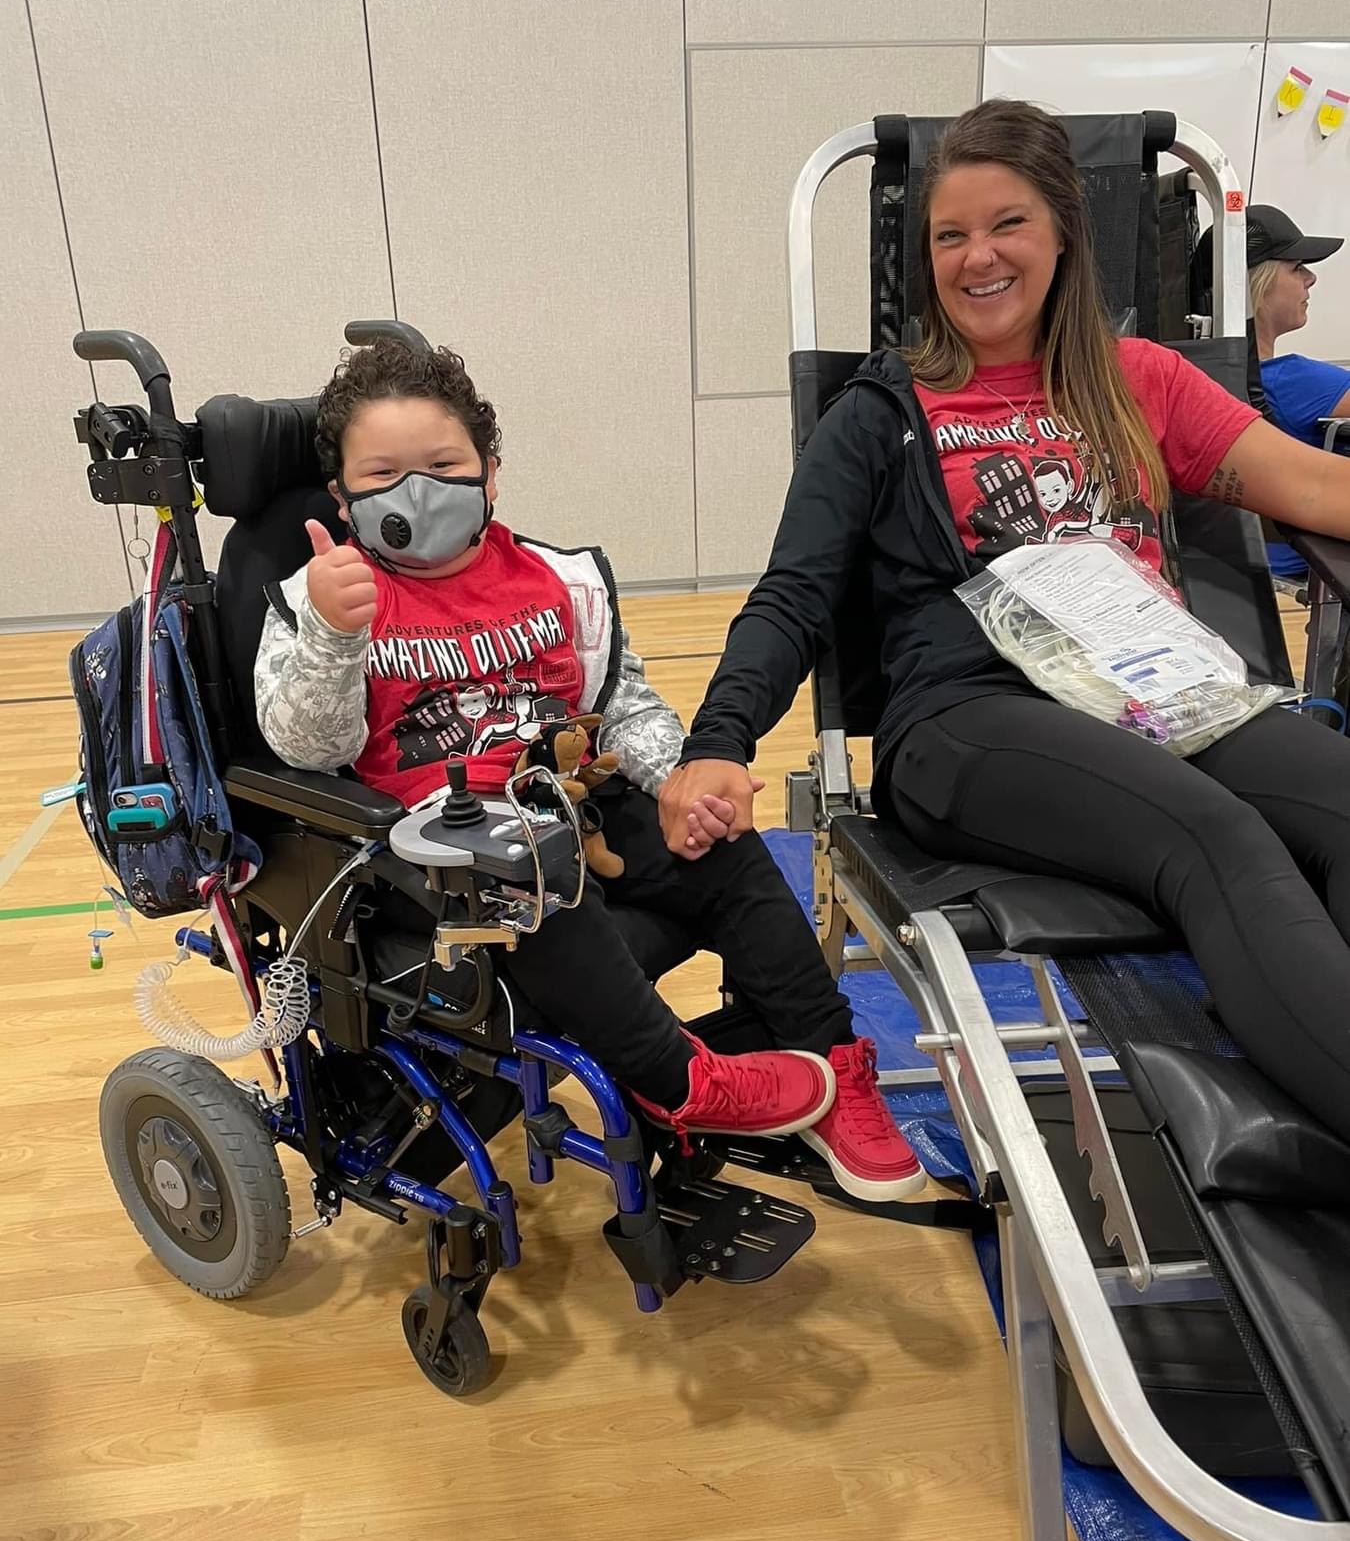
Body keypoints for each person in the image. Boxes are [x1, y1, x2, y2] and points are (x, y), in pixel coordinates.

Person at [662, 99, 1350, 1144]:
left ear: (1063, 231)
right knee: (1220, 841)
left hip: (1155, 694)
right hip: (970, 719)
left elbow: (1318, 491)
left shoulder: (1142, 383)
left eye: (1007, 225)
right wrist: (716, 745)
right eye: (950, 235)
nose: (977, 256)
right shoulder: (879, 414)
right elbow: (794, 594)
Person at [254, 337, 926, 1200]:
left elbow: (623, 705)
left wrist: (680, 778)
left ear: (489, 472)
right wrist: (332, 632)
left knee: (725, 850)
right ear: (345, 499)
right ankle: (683, 1084)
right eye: (382, 473)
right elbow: (303, 748)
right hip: (444, 855)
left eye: (443, 463)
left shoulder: (556, 581)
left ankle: (835, 1068)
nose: (416, 490)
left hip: (578, 800)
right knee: (536, 885)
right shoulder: (320, 598)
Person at [1198, 203, 1349, 575]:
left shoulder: (1210, 379)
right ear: (1257, 284)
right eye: (1297, 268)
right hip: (1307, 570)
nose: (1310, 279)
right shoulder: (1292, 380)